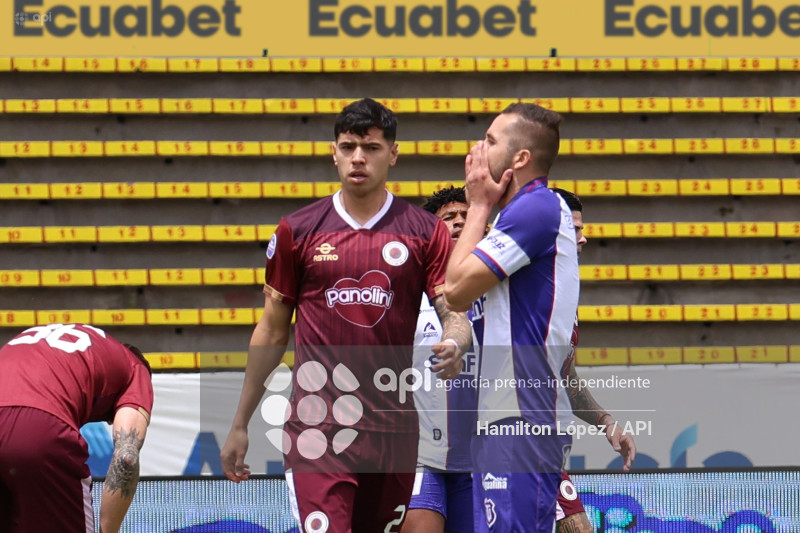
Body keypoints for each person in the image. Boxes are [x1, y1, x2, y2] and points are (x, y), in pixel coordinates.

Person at [220, 98, 472, 533]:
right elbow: (273, 329)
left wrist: (455, 339)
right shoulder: (297, 230)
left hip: (393, 430)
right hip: (318, 428)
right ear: (333, 152)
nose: (358, 157)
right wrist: (240, 422)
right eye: (349, 146)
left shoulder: (423, 231)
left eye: (371, 148)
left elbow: (454, 310)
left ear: (393, 154)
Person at [444, 103, 580, 532]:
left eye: (489, 141)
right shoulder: (519, 213)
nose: (477, 151)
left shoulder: (537, 207)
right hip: (502, 417)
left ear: (520, 158)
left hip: (522, 415)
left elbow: (457, 290)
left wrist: (478, 204)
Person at [0, 323, 153, 533]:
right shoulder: (135, 368)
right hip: (36, 430)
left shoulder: (77, 345)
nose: (108, 420)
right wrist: (109, 529)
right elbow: (127, 457)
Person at [551, 187, 637, 533]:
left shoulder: (565, 297)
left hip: (548, 444)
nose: (584, 239)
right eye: (574, 230)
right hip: (518, 444)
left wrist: (604, 420)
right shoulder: (519, 291)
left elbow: (564, 376)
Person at [403, 186, 481, 533]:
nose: (459, 222)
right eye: (449, 217)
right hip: (419, 455)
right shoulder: (405, 292)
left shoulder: (501, 291)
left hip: (481, 458)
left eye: (467, 216)